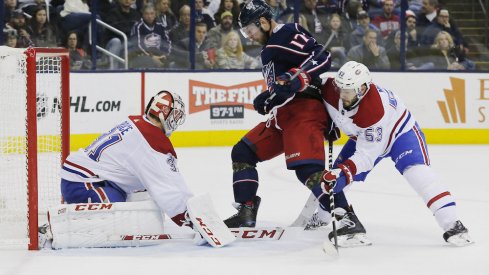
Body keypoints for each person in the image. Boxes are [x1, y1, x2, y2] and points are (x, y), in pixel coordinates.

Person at [316, 61, 473, 246]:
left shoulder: (373, 110)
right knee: (333, 178)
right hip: (363, 137)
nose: (342, 94)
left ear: (362, 89)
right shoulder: (331, 88)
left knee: (418, 174)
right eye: (340, 88)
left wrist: (344, 172)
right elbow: (314, 88)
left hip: (400, 134)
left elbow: (366, 157)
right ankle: (321, 217)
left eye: (348, 90)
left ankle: (453, 224)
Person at [223, 0, 335, 229]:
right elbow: (284, 84)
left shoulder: (286, 31)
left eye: (249, 30)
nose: (249, 36)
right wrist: (270, 97)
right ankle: (246, 211)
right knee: (242, 152)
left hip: (304, 111)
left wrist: (297, 78)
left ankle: (345, 217)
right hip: (283, 115)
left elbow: (322, 56)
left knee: (308, 170)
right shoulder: (271, 46)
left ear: (263, 22)